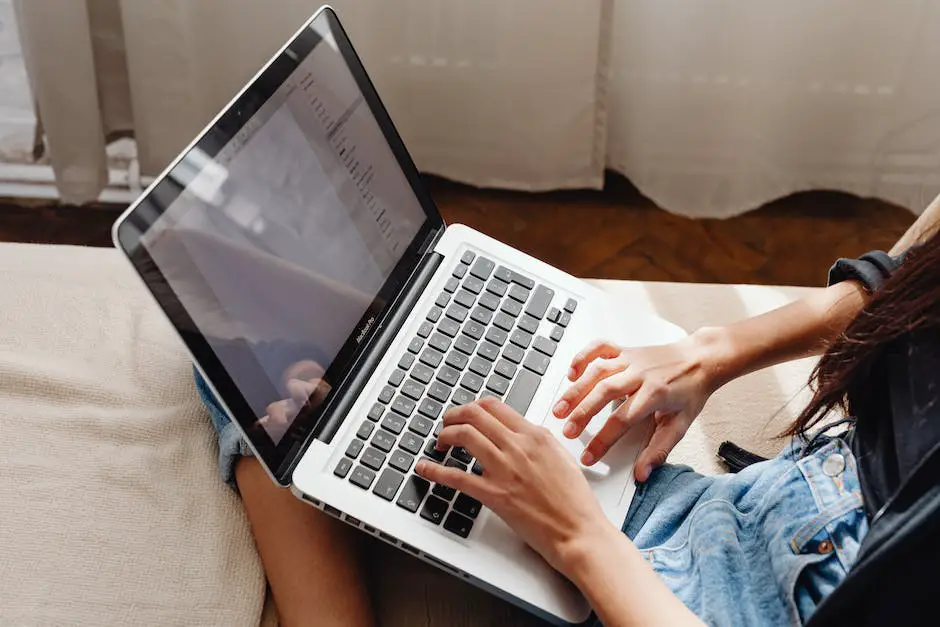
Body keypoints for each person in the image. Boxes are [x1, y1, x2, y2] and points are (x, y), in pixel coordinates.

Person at [198, 197, 939, 626]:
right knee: (293, 329)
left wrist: (577, 534)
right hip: (752, 511)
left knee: (257, 372)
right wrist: (712, 352)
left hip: (689, 601)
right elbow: (909, 286)